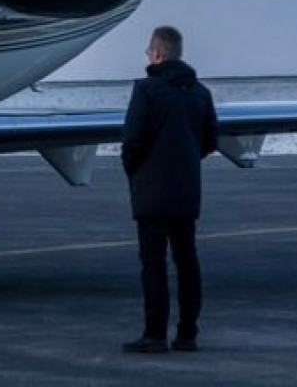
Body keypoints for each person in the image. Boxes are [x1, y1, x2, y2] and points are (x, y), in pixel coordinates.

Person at [120, 26, 218, 354]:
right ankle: (188, 333)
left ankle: (155, 334)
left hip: (151, 192)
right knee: (187, 260)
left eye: (149, 51)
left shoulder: (146, 90)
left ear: (158, 54)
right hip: (186, 190)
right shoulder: (201, 93)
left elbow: (132, 140)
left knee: (154, 264)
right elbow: (210, 141)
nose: (147, 56)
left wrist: (135, 171)